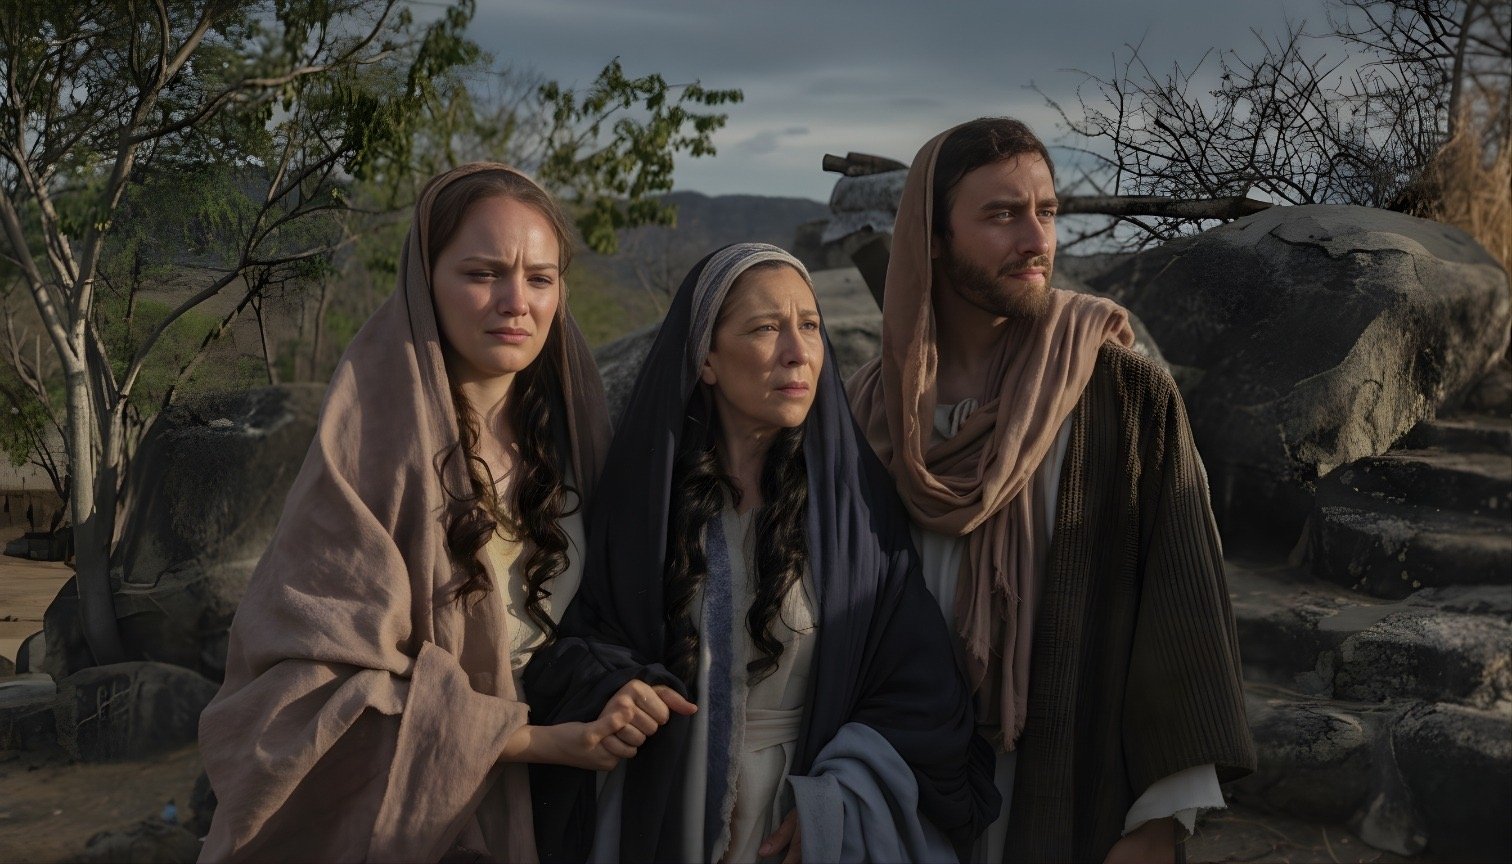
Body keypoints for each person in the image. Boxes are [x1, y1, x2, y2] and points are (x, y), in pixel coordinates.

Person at [847, 118, 1256, 864]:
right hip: (901, 788)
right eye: (1002, 215)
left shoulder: (1122, 393)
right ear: (932, 239)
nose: (1036, 240)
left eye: (1047, 212)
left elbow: (1183, 595)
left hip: (1069, 782)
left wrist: (1159, 820)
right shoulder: (870, 412)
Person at [198, 163, 622, 862]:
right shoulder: (371, 449)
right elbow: (313, 684)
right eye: (483, 274)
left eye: (540, 278)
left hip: (568, 804)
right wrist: (529, 740)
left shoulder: (577, 444)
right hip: (414, 812)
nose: (516, 302)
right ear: (425, 282)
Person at [525, 243, 998, 863]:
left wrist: (837, 800)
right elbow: (577, 643)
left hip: (803, 825)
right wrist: (619, 688)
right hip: (665, 816)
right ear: (707, 358)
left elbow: (919, 684)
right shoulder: (645, 503)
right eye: (766, 328)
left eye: (810, 325)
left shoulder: (856, 511)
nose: (798, 351)